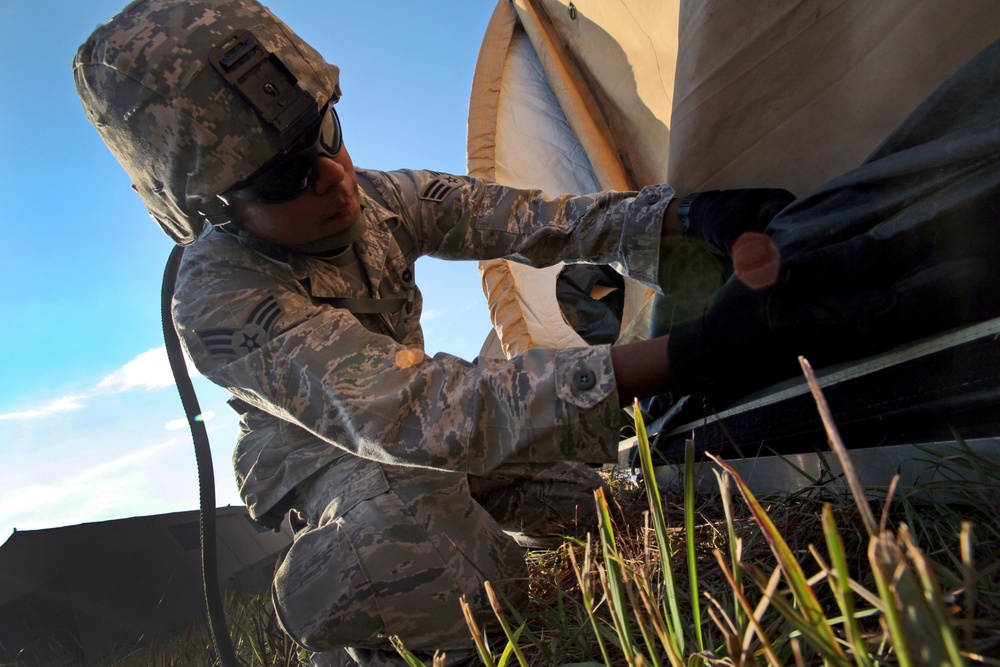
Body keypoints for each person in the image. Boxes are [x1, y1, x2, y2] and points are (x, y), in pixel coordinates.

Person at [74, 0, 1000, 664]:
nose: (332, 177)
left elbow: (529, 219)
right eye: (282, 177)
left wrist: (688, 215)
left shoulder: (376, 200)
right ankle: (326, 593)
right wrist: (695, 354)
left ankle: (458, 523)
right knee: (453, 570)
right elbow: (418, 414)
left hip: (443, 442)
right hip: (337, 461)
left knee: (635, 517)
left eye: (329, 130)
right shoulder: (219, 299)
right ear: (211, 211)